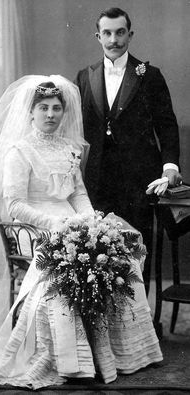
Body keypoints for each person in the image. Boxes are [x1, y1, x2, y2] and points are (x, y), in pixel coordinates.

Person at [0, 75, 162, 389]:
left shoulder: (69, 149)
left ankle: (120, 354)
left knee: (122, 256)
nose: (51, 114)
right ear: (31, 112)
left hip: (72, 222)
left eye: (56, 108)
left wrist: (91, 220)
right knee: (65, 268)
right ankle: (71, 360)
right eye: (43, 108)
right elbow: (15, 205)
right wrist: (54, 225)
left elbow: (77, 194)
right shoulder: (19, 151)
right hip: (35, 230)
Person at [74, 7, 182, 293]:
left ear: (130, 35)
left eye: (120, 32)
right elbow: (74, 130)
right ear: (98, 37)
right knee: (99, 254)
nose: (114, 39)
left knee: (136, 253)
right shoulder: (85, 77)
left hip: (138, 181)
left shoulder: (149, 75)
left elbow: (167, 125)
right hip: (97, 181)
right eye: (107, 33)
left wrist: (170, 166)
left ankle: (140, 329)